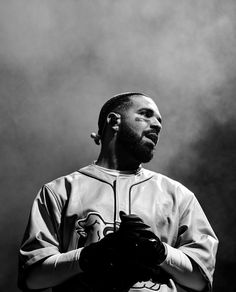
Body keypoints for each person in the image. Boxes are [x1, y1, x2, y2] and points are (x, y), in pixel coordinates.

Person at [18, 92, 218, 292]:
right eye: (146, 114)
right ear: (114, 121)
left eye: (159, 120)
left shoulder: (179, 195)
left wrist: (161, 252)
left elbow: (201, 281)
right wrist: (88, 256)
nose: (157, 124)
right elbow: (33, 278)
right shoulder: (59, 191)